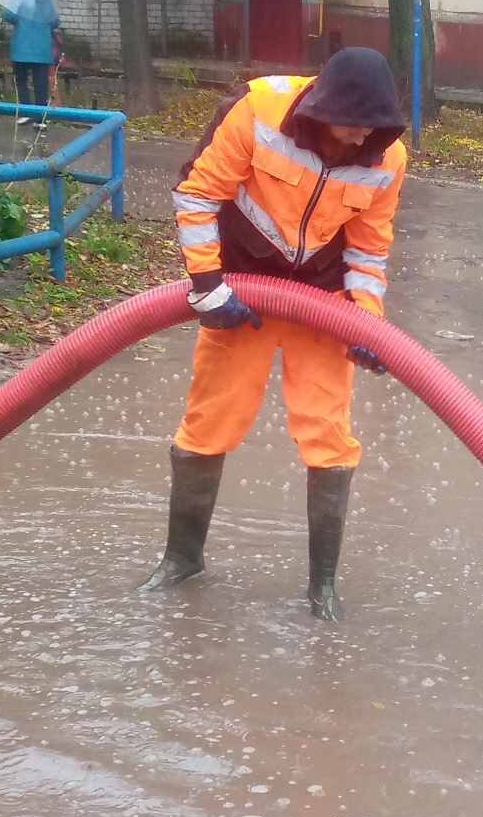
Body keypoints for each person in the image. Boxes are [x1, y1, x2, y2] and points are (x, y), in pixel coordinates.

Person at [140, 47, 408, 622]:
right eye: (349, 122)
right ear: (321, 103)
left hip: (321, 304)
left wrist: (365, 319)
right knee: (211, 420)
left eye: (371, 128)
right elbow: (196, 194)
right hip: (242, 295)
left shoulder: (387, 157)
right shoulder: (258, 111)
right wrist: (208, 286)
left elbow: (368, 247)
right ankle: (182, 559)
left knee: (328, 435)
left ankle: (323, 589)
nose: (358, 137)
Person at [0, 0, 60, 126]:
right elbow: (55, 22)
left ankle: (26, 112)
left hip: (21, 49)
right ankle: (40, 119)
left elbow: (7, 15)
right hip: (42, 50)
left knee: (21, 80)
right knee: (41, 83)